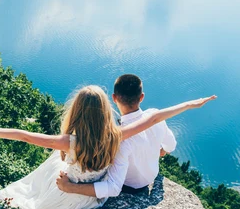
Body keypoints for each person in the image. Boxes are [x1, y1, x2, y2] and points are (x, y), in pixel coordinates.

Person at [0, 85, 215, 209]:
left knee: (52, 165)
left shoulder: (69, 143)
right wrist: (192, 104)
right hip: (92, 198)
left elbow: (23, 136)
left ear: (77, 111)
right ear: (105, 110)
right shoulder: (117, 136)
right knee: (55, 162)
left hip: (65, 195)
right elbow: (155, 118)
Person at [56, 74, 190, 199]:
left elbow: (113, 188)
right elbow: (171, 144)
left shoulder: (118, 139)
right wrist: (162, 150)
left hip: (130, 187)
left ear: (114, 98)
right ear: (141, 97)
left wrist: (70, 187)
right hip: (152, 176)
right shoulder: (155, 115)